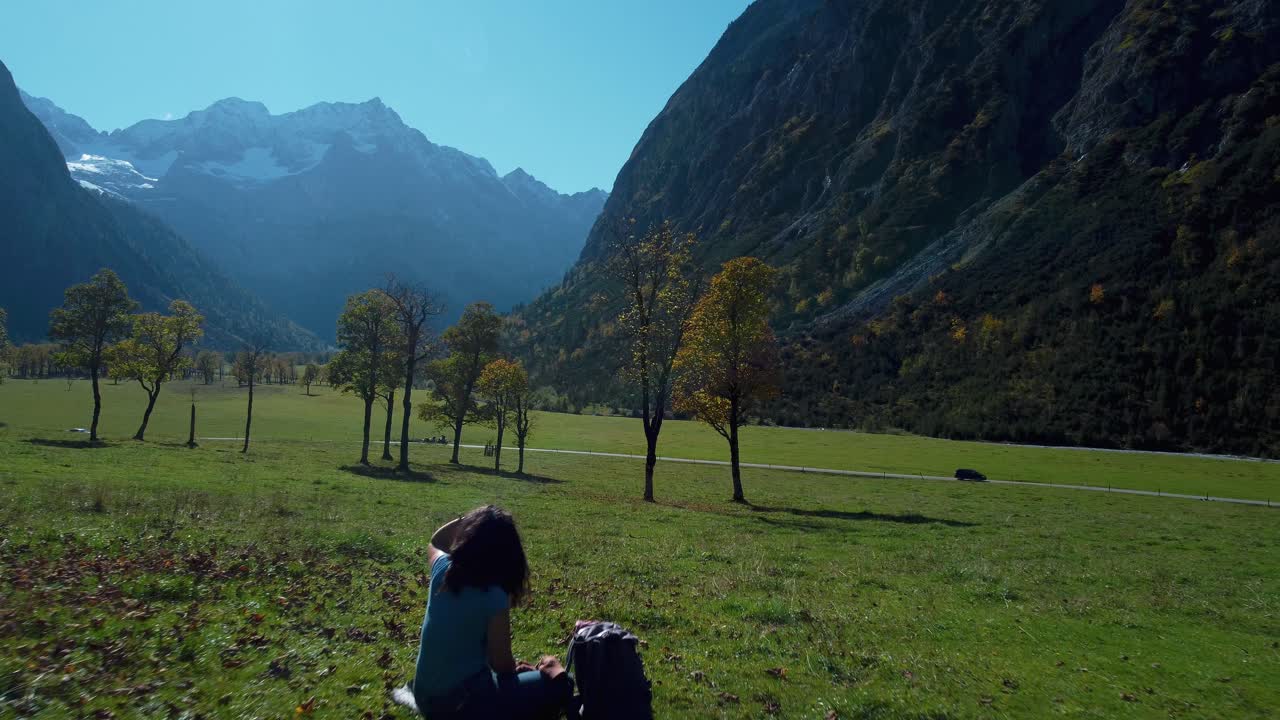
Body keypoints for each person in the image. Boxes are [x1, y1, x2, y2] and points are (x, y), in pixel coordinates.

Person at [411, 505, 572, 718]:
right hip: (461, 705)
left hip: (424, 697)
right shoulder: (494, 595)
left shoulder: (443, 569)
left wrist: (470, 519)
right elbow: (502, 665)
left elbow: (436, 541)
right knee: (561, 684)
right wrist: (542, 670)